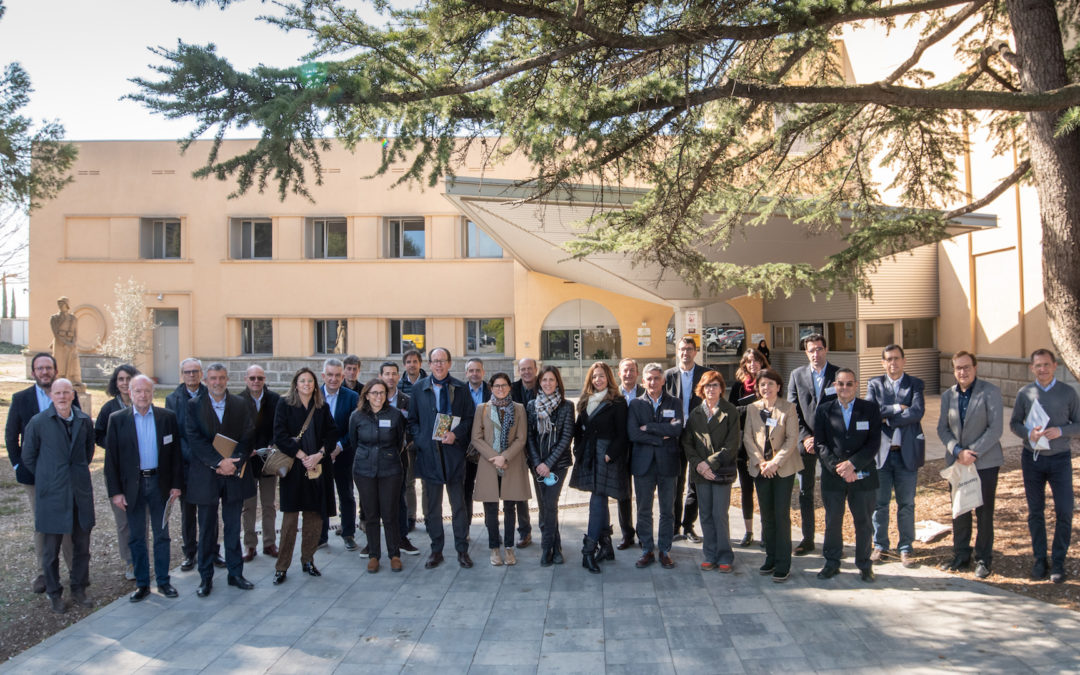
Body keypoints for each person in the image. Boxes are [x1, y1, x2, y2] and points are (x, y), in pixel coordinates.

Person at [103, 375, 183, 602]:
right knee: (137, 537)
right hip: (133, 487)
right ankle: (142, 584)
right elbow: (111, 461)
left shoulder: (167, 418)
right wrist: (116, 492)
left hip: (160, 485)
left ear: (152, 392)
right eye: (137, 391)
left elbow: (176, 455)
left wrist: (176, 485)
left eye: (147, 391)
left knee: (162, 536)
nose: (142, 395)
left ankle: (164, 582)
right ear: (129, 392)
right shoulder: (117, 420)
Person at [5, 352, 79, 594]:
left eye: (48, 367)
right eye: (40, 368)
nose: (45, 372)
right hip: (35, 475)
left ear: (55, 371)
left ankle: (74, 572)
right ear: (33, 372)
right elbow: (11, 435)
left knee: (67, 521)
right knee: (43, 524)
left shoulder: (67, 394)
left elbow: (79, 429)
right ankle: (43, 574)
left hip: (64, 474)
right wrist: (18, 465)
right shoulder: (21, 399)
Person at [22, 379, 94, 614]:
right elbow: (29, 457)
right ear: (51, 396)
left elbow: (88, 452)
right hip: (52, 494)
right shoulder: (39, 422)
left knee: (82, 546)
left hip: (79, 493)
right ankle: (54, 593)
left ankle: (79, 588)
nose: (62, 396)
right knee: (50, 550)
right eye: (58, 393)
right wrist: (50, 476)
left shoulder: (83, 421)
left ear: (73, 395)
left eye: (66, 392)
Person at [1009, 348, 1080, 583]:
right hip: (1033, 460)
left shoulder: (1068, 393)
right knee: (1035, 512)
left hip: (1060, 460)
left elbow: (1079, 424)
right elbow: (1014, 423)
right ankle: (1040, 560)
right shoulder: (1025, 393)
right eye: (1038, 365)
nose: (1042, 369)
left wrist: (1062, 430)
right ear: (1032, 368)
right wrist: (1029, 433)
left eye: (1046, 365)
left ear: (1054, 365)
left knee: (1064, 511)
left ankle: (1058, 561)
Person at [185, 363, 255, 597]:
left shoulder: (240, 404)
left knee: (233, 527)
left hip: (233, 475)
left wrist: (232, 462)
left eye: (221, 378)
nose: (217, 382)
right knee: (206, 529)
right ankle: (205, 578)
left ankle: (236, 574)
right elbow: (194, 439)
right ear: (206, 380)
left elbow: (248, 436)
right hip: (207, 475)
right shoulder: (194, 405)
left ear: (228, 379)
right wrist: (218, 462)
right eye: (213, 378)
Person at [406, 348, 477, 569]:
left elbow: (469, 419)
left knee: (458, 506)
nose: (438, 365)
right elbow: (413, 422)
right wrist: (423, 441)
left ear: (449, 363)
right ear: (429, 363)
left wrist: (456, 434)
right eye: (434, 361)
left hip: (453, 453)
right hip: (429, 456)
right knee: (433, 508)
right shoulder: (418, 389)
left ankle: (462, 550)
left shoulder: (460, 388)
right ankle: (436, 549)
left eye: (442, 361)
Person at [937, 351, 1003, 579]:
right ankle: (961, 555)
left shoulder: (990, 392)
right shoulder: (948, 396)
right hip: (958, 462)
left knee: (984, 512)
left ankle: (983, 559)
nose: (962, 372)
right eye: (958, 368)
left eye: (966, 367)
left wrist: (972, 453)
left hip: (984, 462)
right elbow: (942, 429)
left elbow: (995, 429)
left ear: (975, 368)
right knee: (960, 510)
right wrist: (957, 451)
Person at [271, 367, 337, 584]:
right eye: (302, 381)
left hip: (316, 468)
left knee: (314, 518)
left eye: (310, 381)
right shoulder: (285, 404)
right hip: (294, 468)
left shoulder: (322, 406)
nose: (307, 384)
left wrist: (318, 455)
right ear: (295, 384)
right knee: (290, 520)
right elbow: (279, 435)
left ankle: (308, 560)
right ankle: (282, 566)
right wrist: (301, 455)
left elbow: (332, 434)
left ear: (315, 385)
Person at [814, 368, 880, 582]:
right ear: (835, 386)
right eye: (840, 384)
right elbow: (821, 444)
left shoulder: (870, 409)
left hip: (863, 476)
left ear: (856, 385)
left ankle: (864, 564)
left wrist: (853, 465)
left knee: (863, 522)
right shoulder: (824, 410)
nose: (844, 388)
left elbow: (874, 443)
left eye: (849, 384)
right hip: (833, 478)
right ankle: (832, 563)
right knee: (833, 521)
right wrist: (840, 469)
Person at [867, 345, 925, 568]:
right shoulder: (875, 384)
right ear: (883, 363)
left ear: (904, 360)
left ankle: (906, 548)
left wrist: (888, 418)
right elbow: (872, 412)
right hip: (881, 455)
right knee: (879, 504)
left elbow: (917, 411)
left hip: (906, 454)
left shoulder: (915, 384)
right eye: (889, 359)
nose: (893, 363)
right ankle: (880, 545)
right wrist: (898, 407)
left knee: (906, 504)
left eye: (897, 359)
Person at [571, 361, 630, 573]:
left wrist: (609, 455)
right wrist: (578, 449)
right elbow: (579, 429)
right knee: (600, 498)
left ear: (609, 378)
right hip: (588, 454)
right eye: (594, 376)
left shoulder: (618, 401)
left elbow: (622, 434)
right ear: (590, 379)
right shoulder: (586, 401)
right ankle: (606, 547)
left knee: (597, 499)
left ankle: (588, 551)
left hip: (606, 456)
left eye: (602, 376)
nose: (598, 379)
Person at [743, 369, 800, 583]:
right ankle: (771, 557)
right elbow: (748, 437)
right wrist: (760, 462)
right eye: (762, 385)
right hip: (760, 469)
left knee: (781, 516)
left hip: (782, 469)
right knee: (766, 515)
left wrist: (775, 463)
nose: (766, 388)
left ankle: (783, 563)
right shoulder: (752, 408)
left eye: (770, 384)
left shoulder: (789, 408)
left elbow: (792, 438)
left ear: (778, 386)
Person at [681, 371, 740, 573]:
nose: (711, 389)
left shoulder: (730, 411)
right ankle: (710, 554)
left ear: (721, 388)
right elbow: (687, 443)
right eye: (707, 386)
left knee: (719, 514)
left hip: (720, 470)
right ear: (701, 389)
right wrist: (699, 464)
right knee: (705, 514)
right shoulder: (696, 413)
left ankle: (725, 555)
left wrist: (709, 464)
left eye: (715, 385)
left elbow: (732, 444)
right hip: (700, 473)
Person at [787, 333, 839, 556]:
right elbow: (792, 410)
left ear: (826, 349)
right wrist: (805, 437)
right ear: (806, 352)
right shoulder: (797, 375)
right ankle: (808, 539)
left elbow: (841, 407)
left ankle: (833, 542)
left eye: (819, 349)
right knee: (805, 493)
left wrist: (822, 438)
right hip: (805, 444)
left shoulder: (838, 374)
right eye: (811, 350)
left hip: (831, 444)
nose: (815, 354)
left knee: (832, 493)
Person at [350, 378, 408, 573]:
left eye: (382, 393)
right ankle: (374, 554)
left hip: (390, 470)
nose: (378, 396)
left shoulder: (396, 415)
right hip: (364, 470)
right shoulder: (357, 417)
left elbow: (400, 442)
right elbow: (353, 441)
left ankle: (394, 555)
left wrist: (388, 455)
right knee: (371, 514)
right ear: (366, 395)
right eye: (374, 393)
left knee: (390, 513)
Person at [629, 362, 683, 569]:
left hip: (668, 464)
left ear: (663, 380)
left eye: (656, 378)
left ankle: (665, 549)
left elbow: (677, 429)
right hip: (643, 465)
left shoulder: (674, 403)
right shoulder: (635, 404)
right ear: (643, 381)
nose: (652, 382)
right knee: (644, 509)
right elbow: (634, 433)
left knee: (667, 510)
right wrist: (663, 435)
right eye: (649, 378)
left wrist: (650, 427)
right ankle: (646, 549)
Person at [471, 372, 529, 566]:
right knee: (491, 508)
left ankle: (509, 548)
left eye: (504, 385)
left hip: (511, 463)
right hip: (489, 464)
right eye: (497, 386)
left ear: (510, 387)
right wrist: (494, 458)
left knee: (510, 508)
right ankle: (494, 548)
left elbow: (521, 438)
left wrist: (504, 457)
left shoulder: (519, 409)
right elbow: (476, 437)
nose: (501, 389)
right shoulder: (483, 409)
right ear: (491, 388)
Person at [164, 358, 215, 572]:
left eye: (195, 371)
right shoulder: (173, 399)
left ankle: (211, 550)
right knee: (188, 512)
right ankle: (190, 553)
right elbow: (175, 433)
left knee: (209, 511)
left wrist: (206, 456)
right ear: (182, 375)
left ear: (201, 374)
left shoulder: (211, 394)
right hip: (185, 464)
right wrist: (192, 455)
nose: (192, 375)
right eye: (187, 372)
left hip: (208, 464)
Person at [94, 363, 139, 580]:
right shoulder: (109, 408)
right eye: (120, 379)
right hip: (118, 471)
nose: (124, 383)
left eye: (128, 378)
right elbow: (98, 434)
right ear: (115, 382)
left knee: (141, 519)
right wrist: (114, 446)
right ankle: (130, 562)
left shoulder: (143, 402)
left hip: (141, 471)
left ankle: (142, 558)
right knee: (123, 522)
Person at [664, 336, 710, 543]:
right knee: (676, 482)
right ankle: (674, 526)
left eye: (689, 349)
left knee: (695, 482)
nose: (685, 353)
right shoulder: (668, 375)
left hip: (697, 435)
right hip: (674, 436)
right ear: (677, 351)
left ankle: (688, 525)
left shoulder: (705, 374)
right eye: (682, 349)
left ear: (695, 351)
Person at [528, 365, 575, 565]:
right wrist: (538, 463)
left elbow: (566, 438)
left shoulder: (566, 406)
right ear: (539, 382)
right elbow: (529, 437)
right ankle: (555, 548)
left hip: (558, 465)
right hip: (537, 466)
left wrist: (548, 463)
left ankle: (547, 548)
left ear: (558, 382)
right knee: (546, 505)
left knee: (550, 504)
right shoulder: (532, 405)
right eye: (544, 380)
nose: (547, 383)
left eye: (551, 380)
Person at [238, 364, 281, 561]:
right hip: (248, 461)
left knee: (269, 504)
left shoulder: (275, 400)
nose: (256, 381)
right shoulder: (237, 401)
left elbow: (280, 427)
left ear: (265, 380)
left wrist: (273, 444)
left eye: (260, 378)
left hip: (268, 460)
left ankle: (270, 543)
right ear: (246, 379)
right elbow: (235, 430)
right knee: (248, 505)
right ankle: (250, 545)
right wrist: (247, 449)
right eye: (252, 378)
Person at [728, 349, 768, 547]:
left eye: (757, 361)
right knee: (746, 489)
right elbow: (731, 412)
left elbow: (775, 410)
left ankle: (766, 532)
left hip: (765, 445)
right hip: (743, 445)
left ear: (762, 363)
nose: (753, 365)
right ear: (744, 364)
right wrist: (753, 407)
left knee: (763, 489)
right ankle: (749, 531)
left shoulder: (769, 383)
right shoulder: (738, 387)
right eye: (749, 361)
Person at [319, 358, 360, 551]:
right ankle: (321, 535)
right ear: (323, 376)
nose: (333, 379)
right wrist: (324, 450)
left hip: (344, 454)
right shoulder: (313, 395)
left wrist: (339, 446)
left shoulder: (352, 397)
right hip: (319, 456)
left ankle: (348, 533)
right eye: (330, 375)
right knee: (321, 494)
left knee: (346, 494)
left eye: (337, 375)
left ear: (343, 376)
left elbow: (354, 429)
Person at [381, 361, 420, 555]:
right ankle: (374, 540)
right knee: (378, 498)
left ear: (398, 376)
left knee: (402, 495)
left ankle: (402, 537)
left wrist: (408, 441)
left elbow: (414, 424)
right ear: (381, 376)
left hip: (401, 456)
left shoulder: (407, 400)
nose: (390, 377)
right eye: (386, 373)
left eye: (394, 373)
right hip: (378, 459)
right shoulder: (373, 397)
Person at [509, 357, 539, 548]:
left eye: (530, 368)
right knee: (519, 492)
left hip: (539, 450)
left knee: (544, 492)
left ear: (536, 369)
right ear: (518, 371)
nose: (526, 372)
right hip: (518, 449)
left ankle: (548, 530)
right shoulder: (511, 389)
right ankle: (524, 531)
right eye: (523, 369)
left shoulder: (545, 385)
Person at [615, 358, 644, 550]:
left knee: (643, 494)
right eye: (625, 371)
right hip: (620, 451)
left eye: (632, 370)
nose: (628, 374)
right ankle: (627, 534)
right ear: (619, 373)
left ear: (637, 373)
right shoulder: (612, 394)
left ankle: (643, 534)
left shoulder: (645, 392)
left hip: (642, 449)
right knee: (623, 494)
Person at [464, 358, 492, 529]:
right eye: (471, 370)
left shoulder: (492, 390)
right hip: (465, 450)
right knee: (466, 490)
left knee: (489, 492)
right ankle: (465, 528)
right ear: (466, 373)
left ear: (483, 372)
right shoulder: (458, 391)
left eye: (478, 370)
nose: (474, 373)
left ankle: (492, 529)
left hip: (487, 449)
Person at [49, 297, 82, 386]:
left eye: (62, 304)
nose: (60, 306)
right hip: (59, 344)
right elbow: (55, 333)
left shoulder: (73, 319)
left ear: (67, 305)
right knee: (59, 363)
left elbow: (75, 333)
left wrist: (73, 343)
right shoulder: (54, 318)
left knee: (73, 362)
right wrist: (66, 343)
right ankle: (58, 379)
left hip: (70, 344)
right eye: (59, 304)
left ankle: (73, 379)